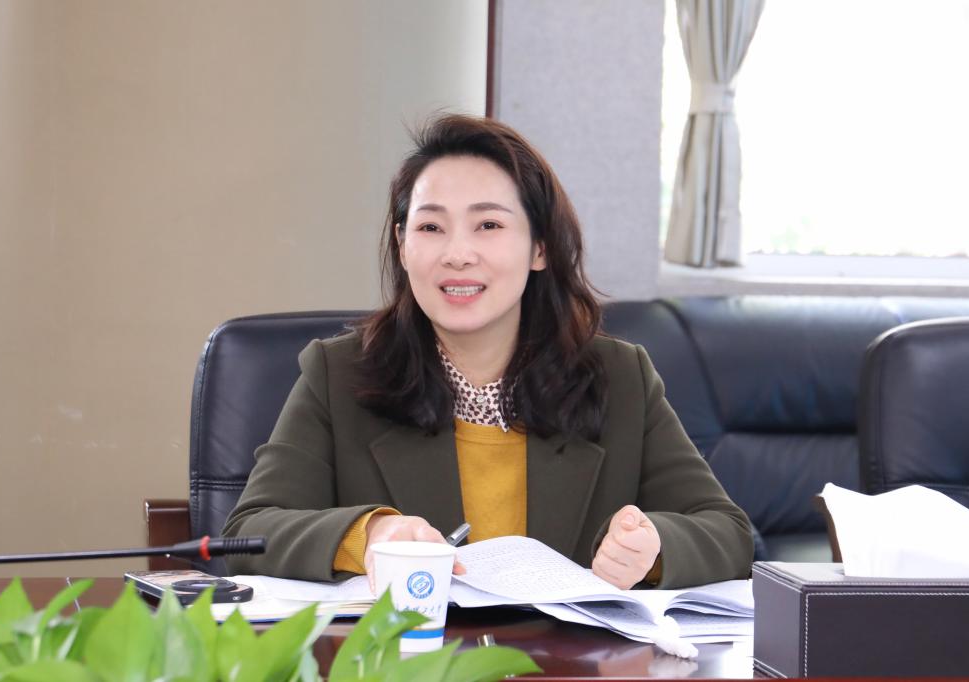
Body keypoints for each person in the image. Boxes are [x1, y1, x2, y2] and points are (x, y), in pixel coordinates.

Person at [222, 114, 753, 589]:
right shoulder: (338, 373)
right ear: (403, 246)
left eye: (489, 225)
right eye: (431, 227)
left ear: (540, 247)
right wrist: (369, 534)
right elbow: (249, 532)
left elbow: (728, 531)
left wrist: (653, 547)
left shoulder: (618, 376)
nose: (458, 254)